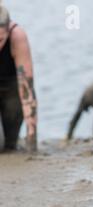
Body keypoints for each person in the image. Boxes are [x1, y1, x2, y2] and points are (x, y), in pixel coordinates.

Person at [0, 5, 38, 152]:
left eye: (1, 39)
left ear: (8, 31)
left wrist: (32, 139)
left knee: (10, 144)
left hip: (11, 87)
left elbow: (27, 90)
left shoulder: (17, 36)